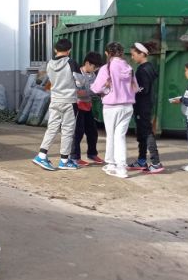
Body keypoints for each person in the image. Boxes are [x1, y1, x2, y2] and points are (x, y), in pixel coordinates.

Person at [31, 38, 81, 171]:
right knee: (67, 130)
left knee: (52, 128)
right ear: (69, 50)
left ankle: (41, 155)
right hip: (69, 101)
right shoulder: (71, 63)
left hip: (55, 100)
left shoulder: (50, 64)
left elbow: (49, 80)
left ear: (55, 50)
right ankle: (64, 161)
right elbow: (80, 82)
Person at [90, 42, 137, 179]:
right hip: (127, 106)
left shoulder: (106, 68)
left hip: (111, 107)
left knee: (111, 136)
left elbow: (96, 88)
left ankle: (112, 165)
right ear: (121, 53)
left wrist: (105, 87)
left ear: (107, 53)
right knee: (120, 136)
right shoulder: (129, 68)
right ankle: (120, 167)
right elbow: (135, 88)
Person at [128, 43, 164, 173]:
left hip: (142, 105)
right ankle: (142, 160)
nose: (132, 57)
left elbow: (143, 89)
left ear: (142, 54)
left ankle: (156, 162)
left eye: (134, 54)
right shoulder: (148, 67)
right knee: (142, 133)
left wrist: (131, 89)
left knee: (147, 132)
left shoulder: (143, 70)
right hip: (145, 105)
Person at [70, 51, 104, 166]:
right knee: (77, 133)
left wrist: (95, 92)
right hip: (78, 107)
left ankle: (92, 153)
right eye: (94, 67)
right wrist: (92, 92)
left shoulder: (93, 75)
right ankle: (74, 157)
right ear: (87, 63)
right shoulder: (76, 74)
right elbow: (77, 92)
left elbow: (94, 91)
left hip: (88, 106)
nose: (95, 70)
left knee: (92, 132)